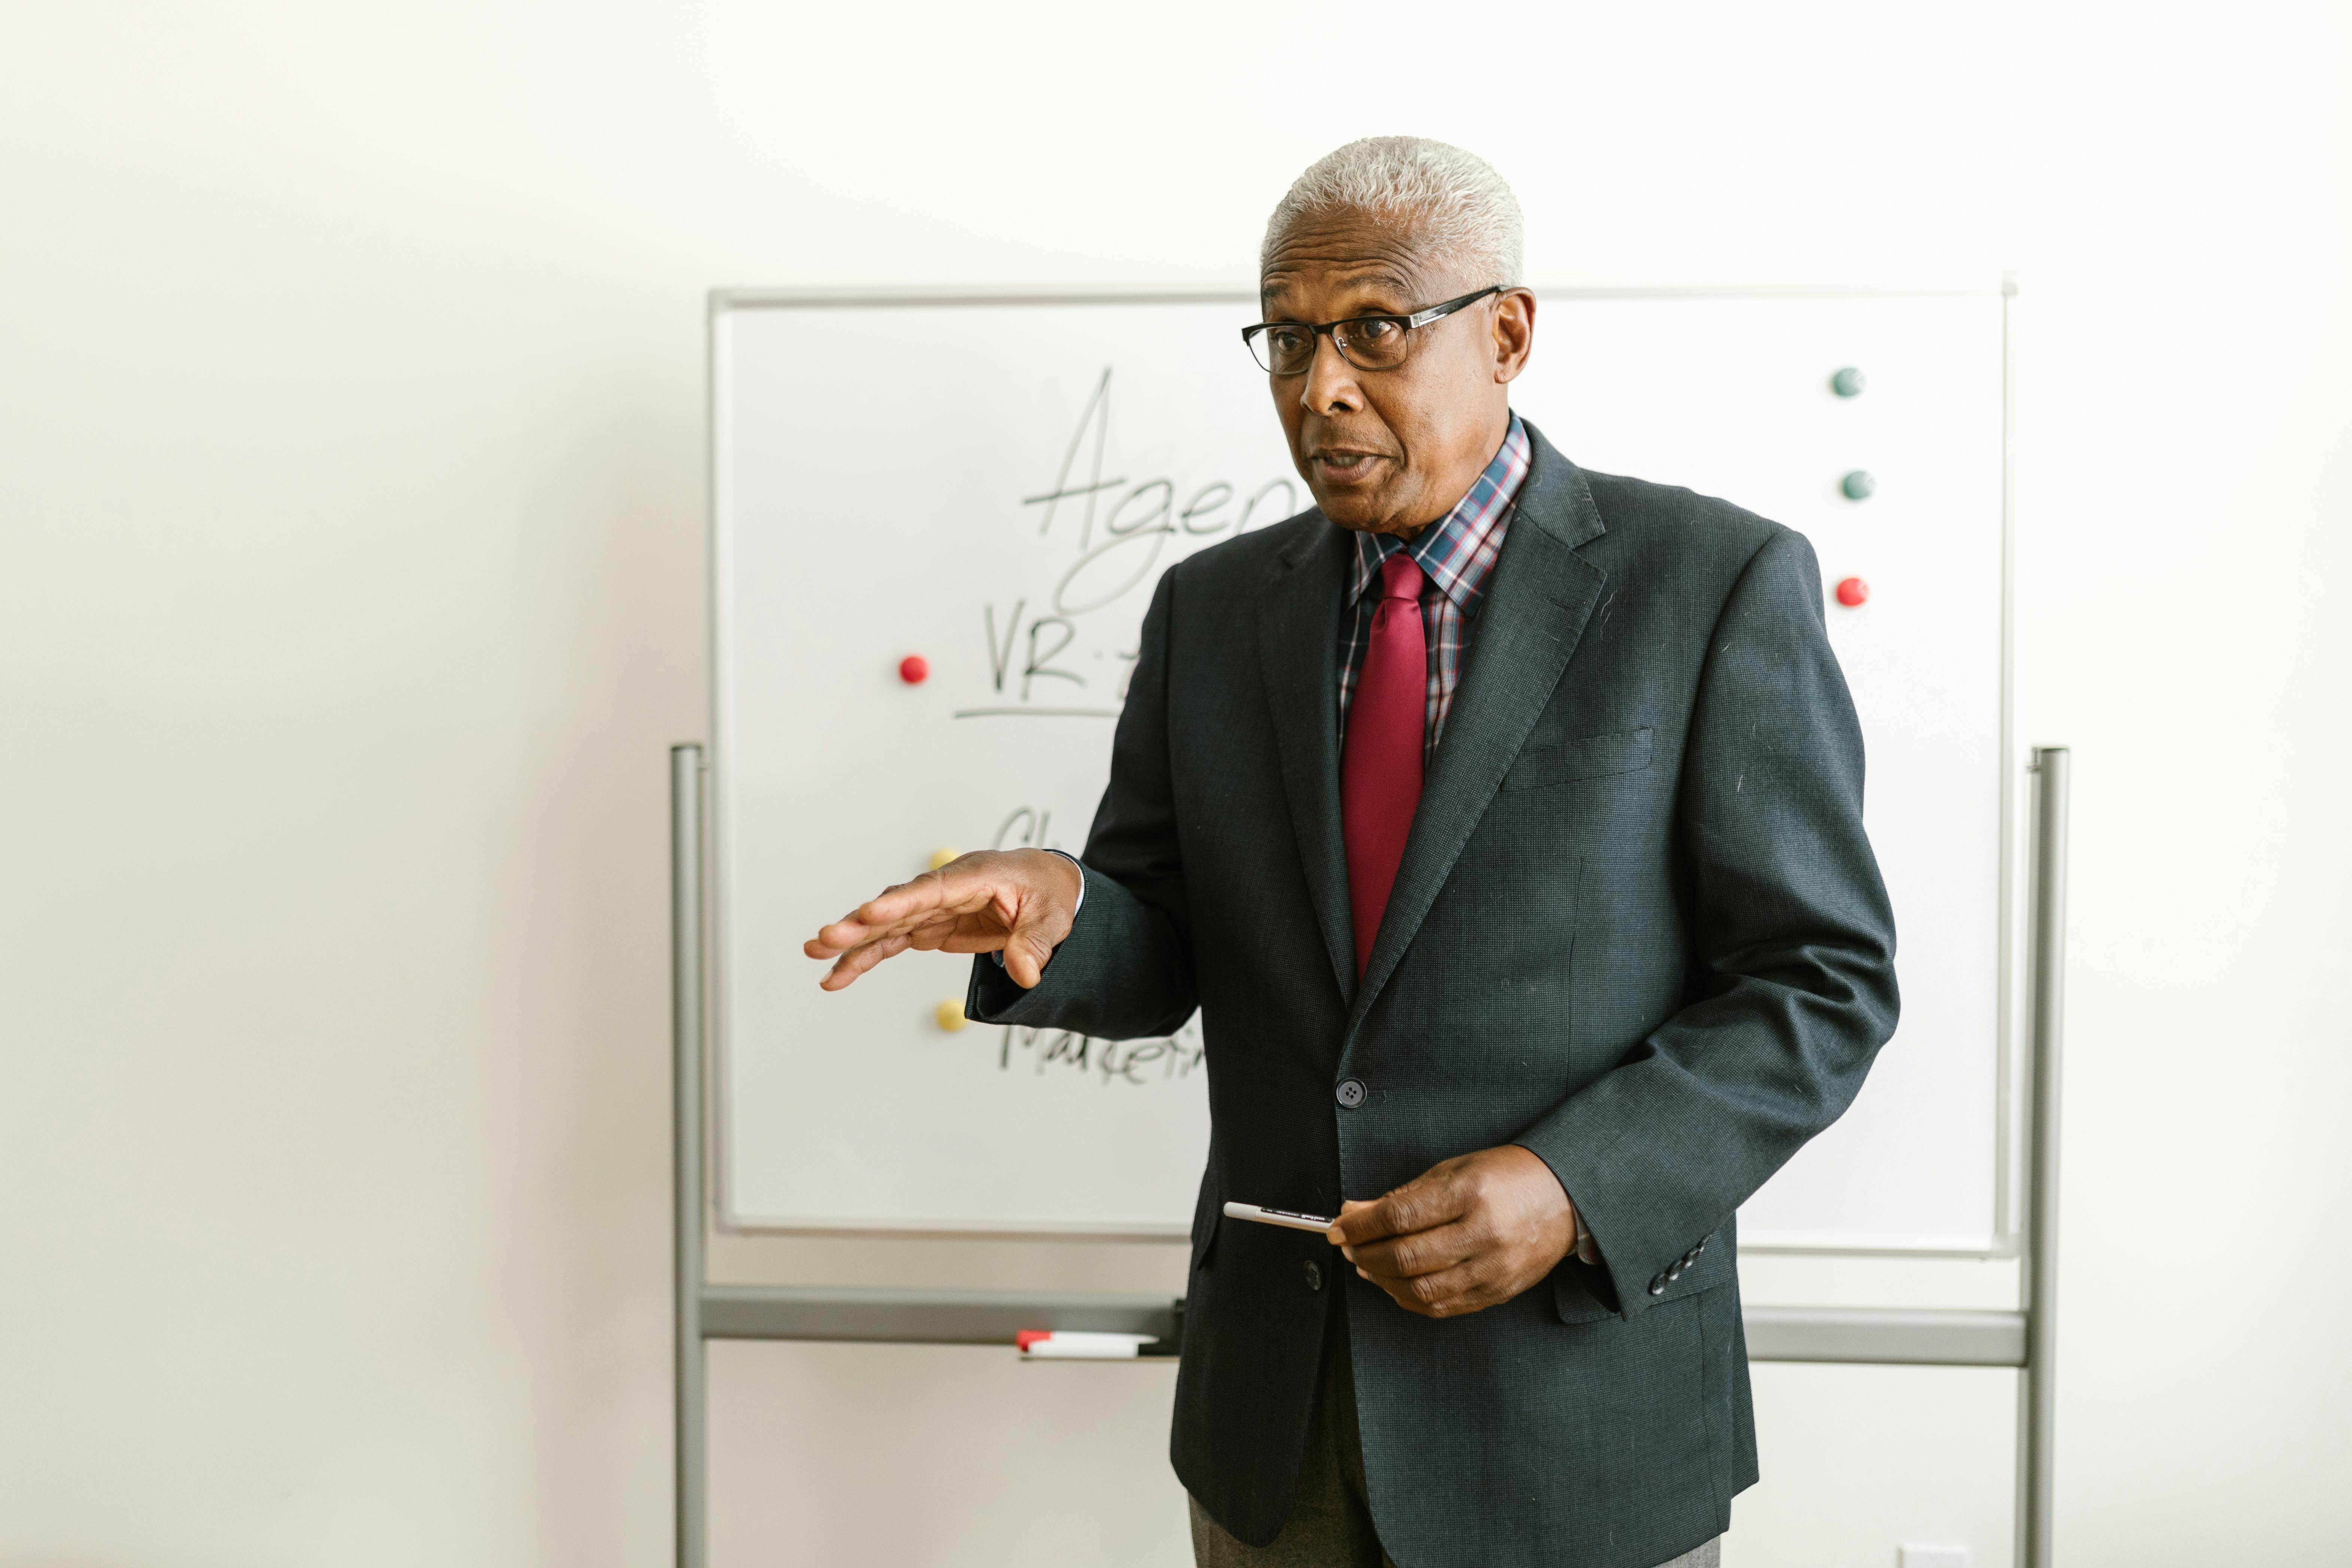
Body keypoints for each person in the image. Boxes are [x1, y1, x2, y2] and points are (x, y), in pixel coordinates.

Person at [805, 136, 1898, 1568]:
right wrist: (1061, 910)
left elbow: (1821, 985)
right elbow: (1171, 940)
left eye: (1375, 329)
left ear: (1505, 334)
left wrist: (1574, 1188)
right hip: (1278, 1430)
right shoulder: (1212, 612)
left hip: (1577, 1421)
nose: (1320, 386)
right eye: (1289, 339)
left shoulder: (1710, 583)